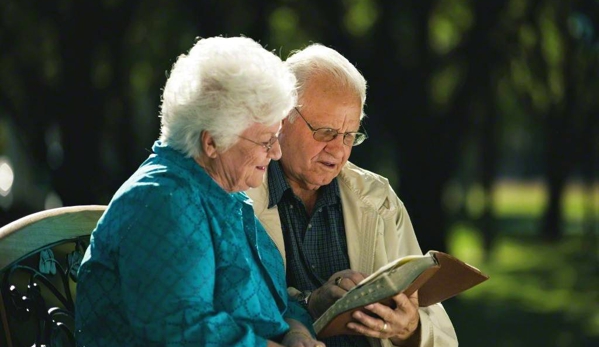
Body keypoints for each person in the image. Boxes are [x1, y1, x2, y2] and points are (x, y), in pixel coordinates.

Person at [75, 36, 325, 347]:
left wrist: (296, 333)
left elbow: (274, 301)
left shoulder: (226, 195)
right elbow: (180, 331)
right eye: (265, 140)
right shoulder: (162, 201)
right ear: (212, 142)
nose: (276, 153)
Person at [246, 43, 458, 347]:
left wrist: (411, 329)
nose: (339, 150)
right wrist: (311, 304)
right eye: (326, 132)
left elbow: (438, 328)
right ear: (281, 118)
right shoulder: (238, 193)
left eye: (349, 135)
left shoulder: (378, 199)